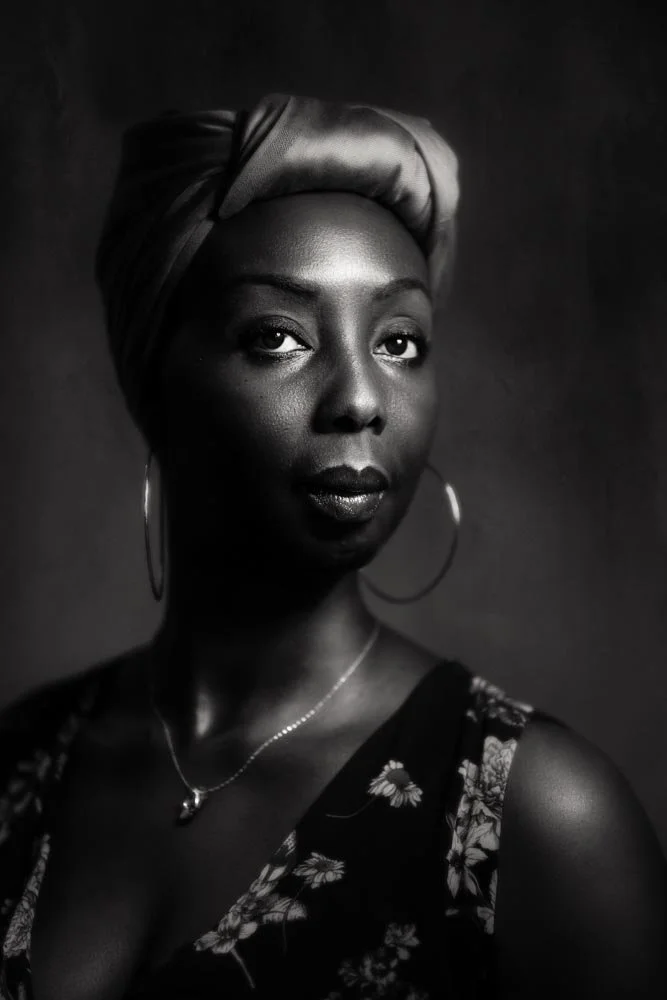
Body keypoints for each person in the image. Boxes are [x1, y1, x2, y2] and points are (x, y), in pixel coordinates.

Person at [0, 93, 664, 1000]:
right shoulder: (23, 756)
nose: (360, 396)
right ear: (156, 378)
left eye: (399, 341)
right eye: (278, 337)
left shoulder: (537, 817)